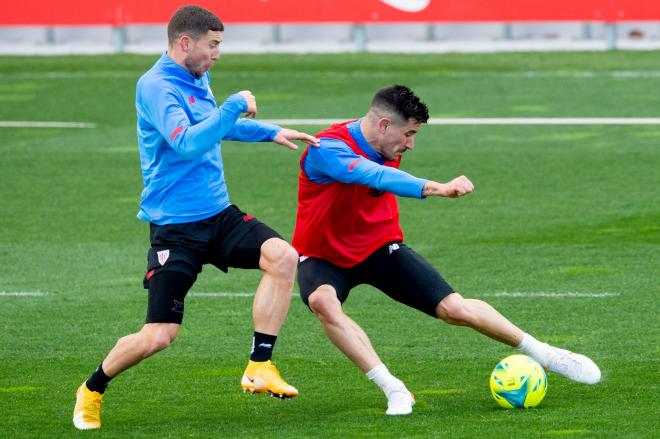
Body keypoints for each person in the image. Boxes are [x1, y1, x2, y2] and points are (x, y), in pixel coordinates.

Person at [72, 5, 319, 430]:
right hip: (176, 229)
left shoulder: (197, 76)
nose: (218, 54)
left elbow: (211, 126)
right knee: (159, 336)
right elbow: (187, 142)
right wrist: (235, 104)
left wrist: (268, 131)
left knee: (283, 256)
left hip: (219, 214)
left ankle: (259, 366)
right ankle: (92, 389)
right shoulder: (155, 87)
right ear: (185, 42)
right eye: (214, 44)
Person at [291, 85, 601, 416]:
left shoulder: (385, 138)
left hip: (379, 245)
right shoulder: (328, 148)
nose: (409, 144)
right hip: (322, 254)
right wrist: (437, 188)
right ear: (383, 125)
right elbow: (375, 175)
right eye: (408, 134)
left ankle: (545, 353)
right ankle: (393, 388)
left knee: (455, 309)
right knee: (323, 303)